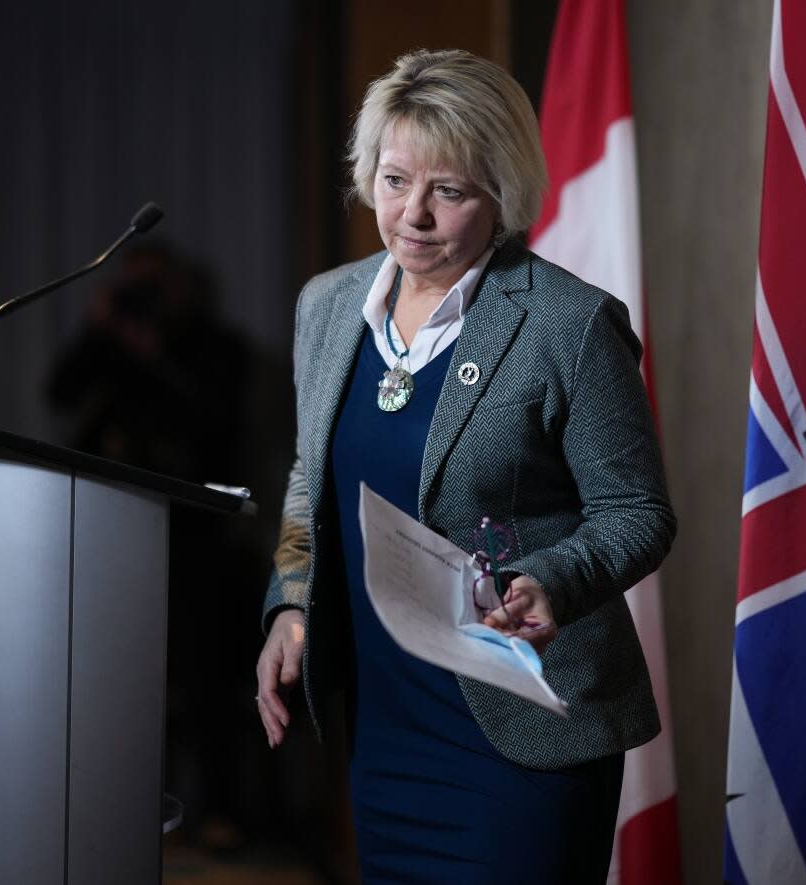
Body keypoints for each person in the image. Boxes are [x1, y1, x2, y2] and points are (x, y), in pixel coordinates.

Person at [256, 49, 675, 883]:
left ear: (503, 196)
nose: (412, 213)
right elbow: (310, 479)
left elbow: (638, 511)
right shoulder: (327, 305)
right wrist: (289, 606)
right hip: (387, 726)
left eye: (448, 191)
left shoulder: (570, 323)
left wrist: (550, 579)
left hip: (526, 734)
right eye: (394, 179)